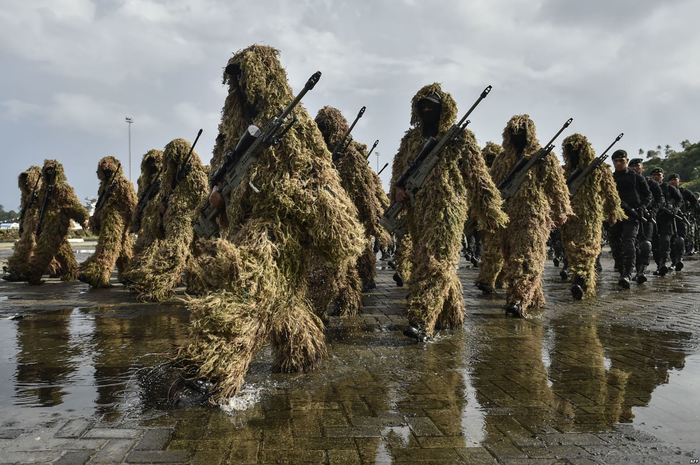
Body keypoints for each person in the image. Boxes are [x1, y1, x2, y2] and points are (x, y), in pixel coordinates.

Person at [181, 45, 365, 401]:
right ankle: (303, 346)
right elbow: (220, 172)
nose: (240, 88)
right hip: (240, 224)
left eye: (245, 79)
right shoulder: (231, 129)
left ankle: (214, 375)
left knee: (246, 291)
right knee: (281, 300)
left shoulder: (293, 125)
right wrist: (217, 199)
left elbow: (316, 176)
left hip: (276, 229)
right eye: (235, 82)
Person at [389, 83, 507, 338]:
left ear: (444, 110)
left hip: (448, 210)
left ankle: (422, 320)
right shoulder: (411, 140)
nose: (427, 111)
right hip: (418, 212)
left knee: (436, 262)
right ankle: (451, 314)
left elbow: (478, 177)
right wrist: (397, 191)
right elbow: (399, 171)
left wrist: (491, 212)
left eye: (432, 107)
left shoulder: (458, 138)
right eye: (423, 107)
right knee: (431, 261)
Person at [478, 115, 572, 316]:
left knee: (528, 258)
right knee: (512, 259)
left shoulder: (542, 157)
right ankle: (533, 297)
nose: (518, 136)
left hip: (533, 216)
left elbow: (557, 185)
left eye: (522, 132)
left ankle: (517, 300)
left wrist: (561, 209)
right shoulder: (503, 159)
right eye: (514, 132)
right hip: (508, 217)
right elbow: (493, 185)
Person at [123, 138, 208, 301]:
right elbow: (164, 196)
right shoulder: (170, 179)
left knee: (175, 252)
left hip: (185, 220)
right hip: (171, 220)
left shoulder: (195, 176)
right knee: (189, 254)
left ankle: (158, 285)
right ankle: (194, 285)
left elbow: (202, 197)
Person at [560, 134, 625, 299]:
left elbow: (611, 193)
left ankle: (580, 280)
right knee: (572, 250)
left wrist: (613, 211)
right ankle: (582, 282)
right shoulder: (565, 171)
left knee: (587, 250)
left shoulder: (598, 168)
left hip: (590, 216)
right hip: (570, 218)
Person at [26, 160, 89, 285]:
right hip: (46, 224)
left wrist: (83, 218)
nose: (49, 174)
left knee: (44, 251)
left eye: (52, 172)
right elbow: (38, 205)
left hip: (57, 225)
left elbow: (73, 205)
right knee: (62, 250)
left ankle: (33, 275)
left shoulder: (63, 189)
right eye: (47, 171)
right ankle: (71, 272)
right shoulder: (44, 190)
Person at [78, 156, 136, 287]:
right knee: (123, 251)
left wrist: (135, 221)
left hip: (116, 223)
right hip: (107, 221)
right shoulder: (104, 186)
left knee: (107, 250)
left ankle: (99, 276)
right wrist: (94, 219)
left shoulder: (123, 184)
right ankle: (129, 275)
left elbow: (132, 204)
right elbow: (100, 205)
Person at [609, 150, 651, 288]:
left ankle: (627, 273)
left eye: (621, 160)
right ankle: (622, 271)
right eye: (616, 161)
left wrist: (642, 208)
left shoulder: (636, 177)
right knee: (615, 245)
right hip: (616, 215)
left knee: (628, 242)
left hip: (632, 216)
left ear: (627, 161)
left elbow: (647, 196)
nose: (619, 163)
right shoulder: (611, 179)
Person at [3, 166, 43, 281]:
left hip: (36, 224)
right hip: (29, 224)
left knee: (27, 246)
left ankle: (18, 269)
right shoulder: (26, 196)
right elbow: (24, 211)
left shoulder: (41, 193)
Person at [130, 149, 164, 256]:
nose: (153, 166)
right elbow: (140, 198)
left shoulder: (165, 179)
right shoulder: (144, 182)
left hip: (158, 220)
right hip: (146, 219)